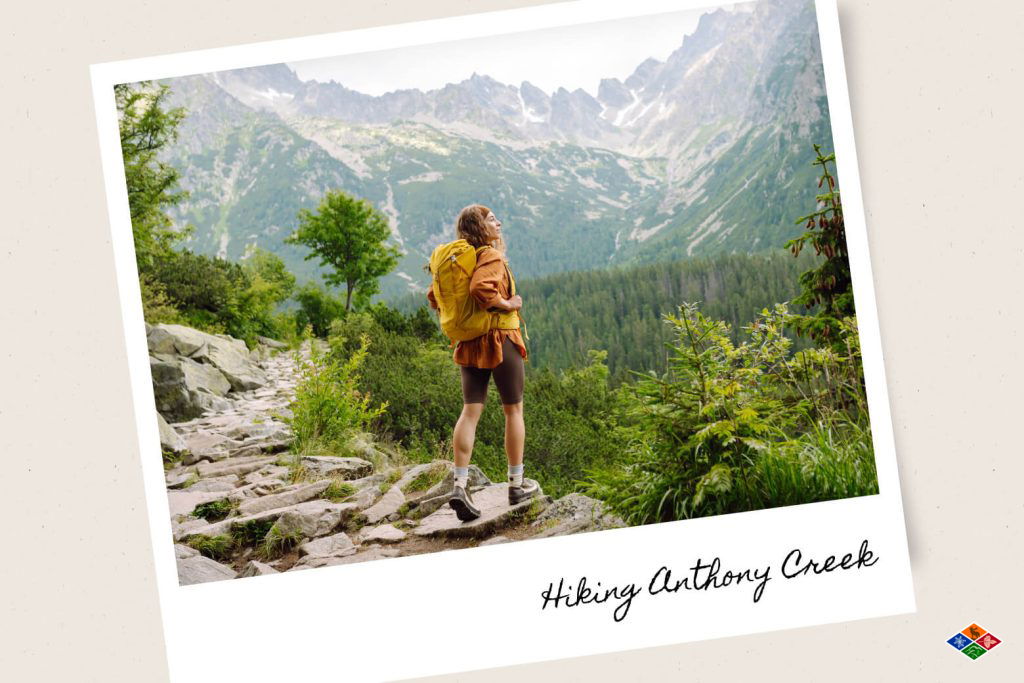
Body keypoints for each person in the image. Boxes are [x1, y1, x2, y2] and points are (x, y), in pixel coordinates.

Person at [426, 204, 540, 521]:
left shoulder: (456, 262)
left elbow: (434, 296)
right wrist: (508, 302)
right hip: (501, 339)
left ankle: (460, 485)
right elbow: (480, 288)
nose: (499, 223)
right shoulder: (489, 255)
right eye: (492, 219)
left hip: (470, 343)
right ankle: (516, 486)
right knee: (513, 409)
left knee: (470, 411)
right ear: (479, 227)